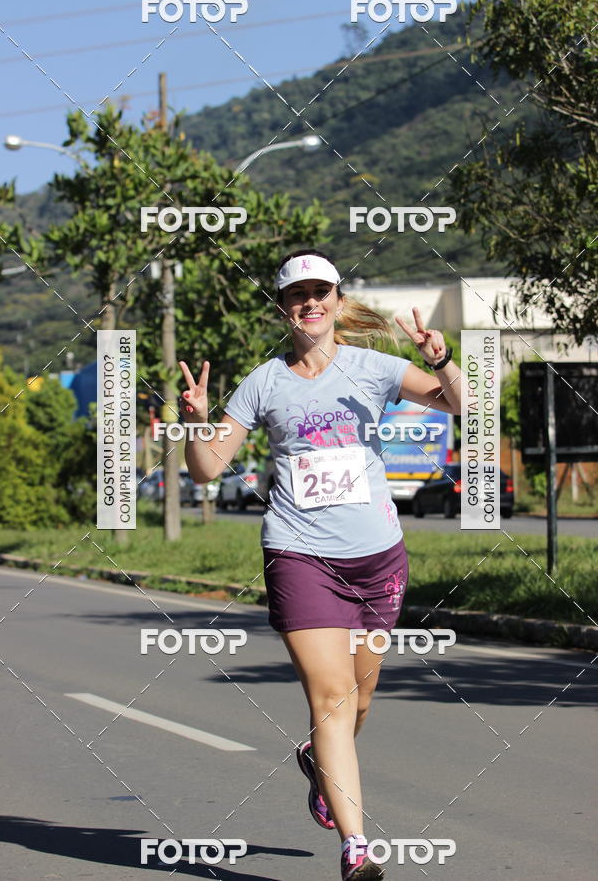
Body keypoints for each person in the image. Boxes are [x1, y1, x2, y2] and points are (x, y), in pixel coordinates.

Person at [179, 248, 462, 880]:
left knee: (361, 700)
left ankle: (318, 761)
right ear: (283, 307)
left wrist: (440, 361)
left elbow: (462, 407)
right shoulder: (263, 383)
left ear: (336, 300)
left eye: (320, 292)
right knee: (331, 699)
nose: (310, 302)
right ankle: (357, 848)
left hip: (376, 559)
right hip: (299, 554)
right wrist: (195, 423)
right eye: (296, 294)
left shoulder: (375, 368)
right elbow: (206, 470)